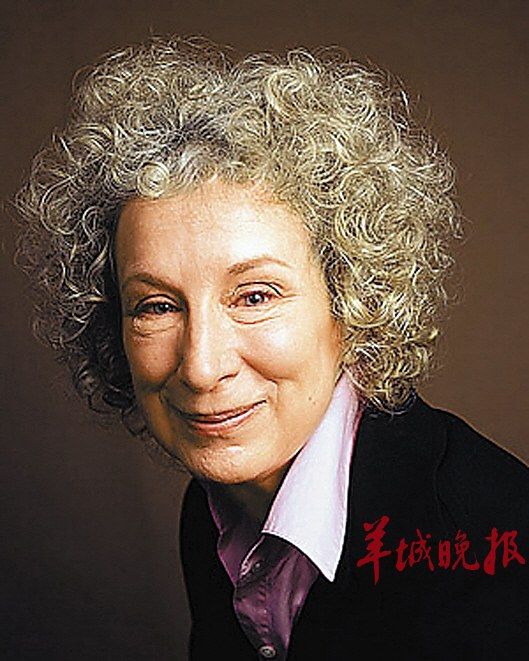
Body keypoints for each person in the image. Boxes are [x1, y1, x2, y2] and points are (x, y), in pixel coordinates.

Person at [14, 36, 529, 659]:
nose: (201, 367)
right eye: (156, 306)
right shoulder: (216, 506)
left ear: (352, 301)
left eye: (255, 296)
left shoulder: (491, 553)